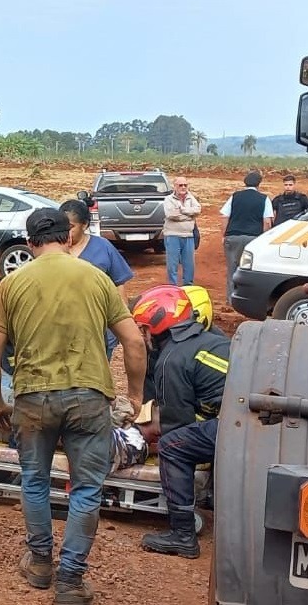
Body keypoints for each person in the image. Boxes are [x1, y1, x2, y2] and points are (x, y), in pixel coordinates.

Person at [0, 208, 146, 605]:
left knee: (34, 480)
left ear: (31, 241)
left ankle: (39, 563)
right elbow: (135, 343)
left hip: (34, 398)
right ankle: (70, 581)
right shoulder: (97, 279)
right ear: (69, 238)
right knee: (86, 489)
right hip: (89, 397)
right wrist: (135, 396)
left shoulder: (12, 284)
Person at [130, 284, 230, 558]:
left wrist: (147, 438)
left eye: (144, 328)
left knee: (174, 445)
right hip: (249, 418)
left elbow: (178, 424)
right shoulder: (212, 339)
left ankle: (183, 534)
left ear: (158, 325)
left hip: (235, 425)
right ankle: (209, 497)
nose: (144, 335)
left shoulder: (171, 359)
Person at [0, 363, 160, 474]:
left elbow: (73, 434)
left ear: (155, 437)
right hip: (42, 401)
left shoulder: (128, 445)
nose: (141, 414)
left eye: (148, 417)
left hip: (22, 420)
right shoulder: (131, 432)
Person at [60, 199, 134, 359]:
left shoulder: (103, 247)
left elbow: (118, 284)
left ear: (85, 225)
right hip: (63, 327)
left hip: (100, 327)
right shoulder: (54, 250)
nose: (66, 232)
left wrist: (123, 321)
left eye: (71, 227)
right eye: (63, 227)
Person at [220, 171, 273, 303]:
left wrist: (224, 234)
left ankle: (231, 299)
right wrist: (263, 239)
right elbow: (267, 221)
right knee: (252, 269)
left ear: (245, 182)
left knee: (232, 268)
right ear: (259, 183)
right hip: (253, 239)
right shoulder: (264, 198)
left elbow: (224, 216)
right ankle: (249, 300)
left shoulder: (235, 196)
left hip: (233, 236)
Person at [162, 177, 201, 287]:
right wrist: (189, 216)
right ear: (174, 186)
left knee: (189, 264)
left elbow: (198, 210)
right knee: (172, 264)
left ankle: (188, 286)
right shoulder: (168, 199)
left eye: (185, 185)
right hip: (172, 235)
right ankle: (172, 286)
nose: (183, 187)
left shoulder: (190, 197)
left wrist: (183, 210)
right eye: (180, 185)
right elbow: (171, 215)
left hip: (188, 235)